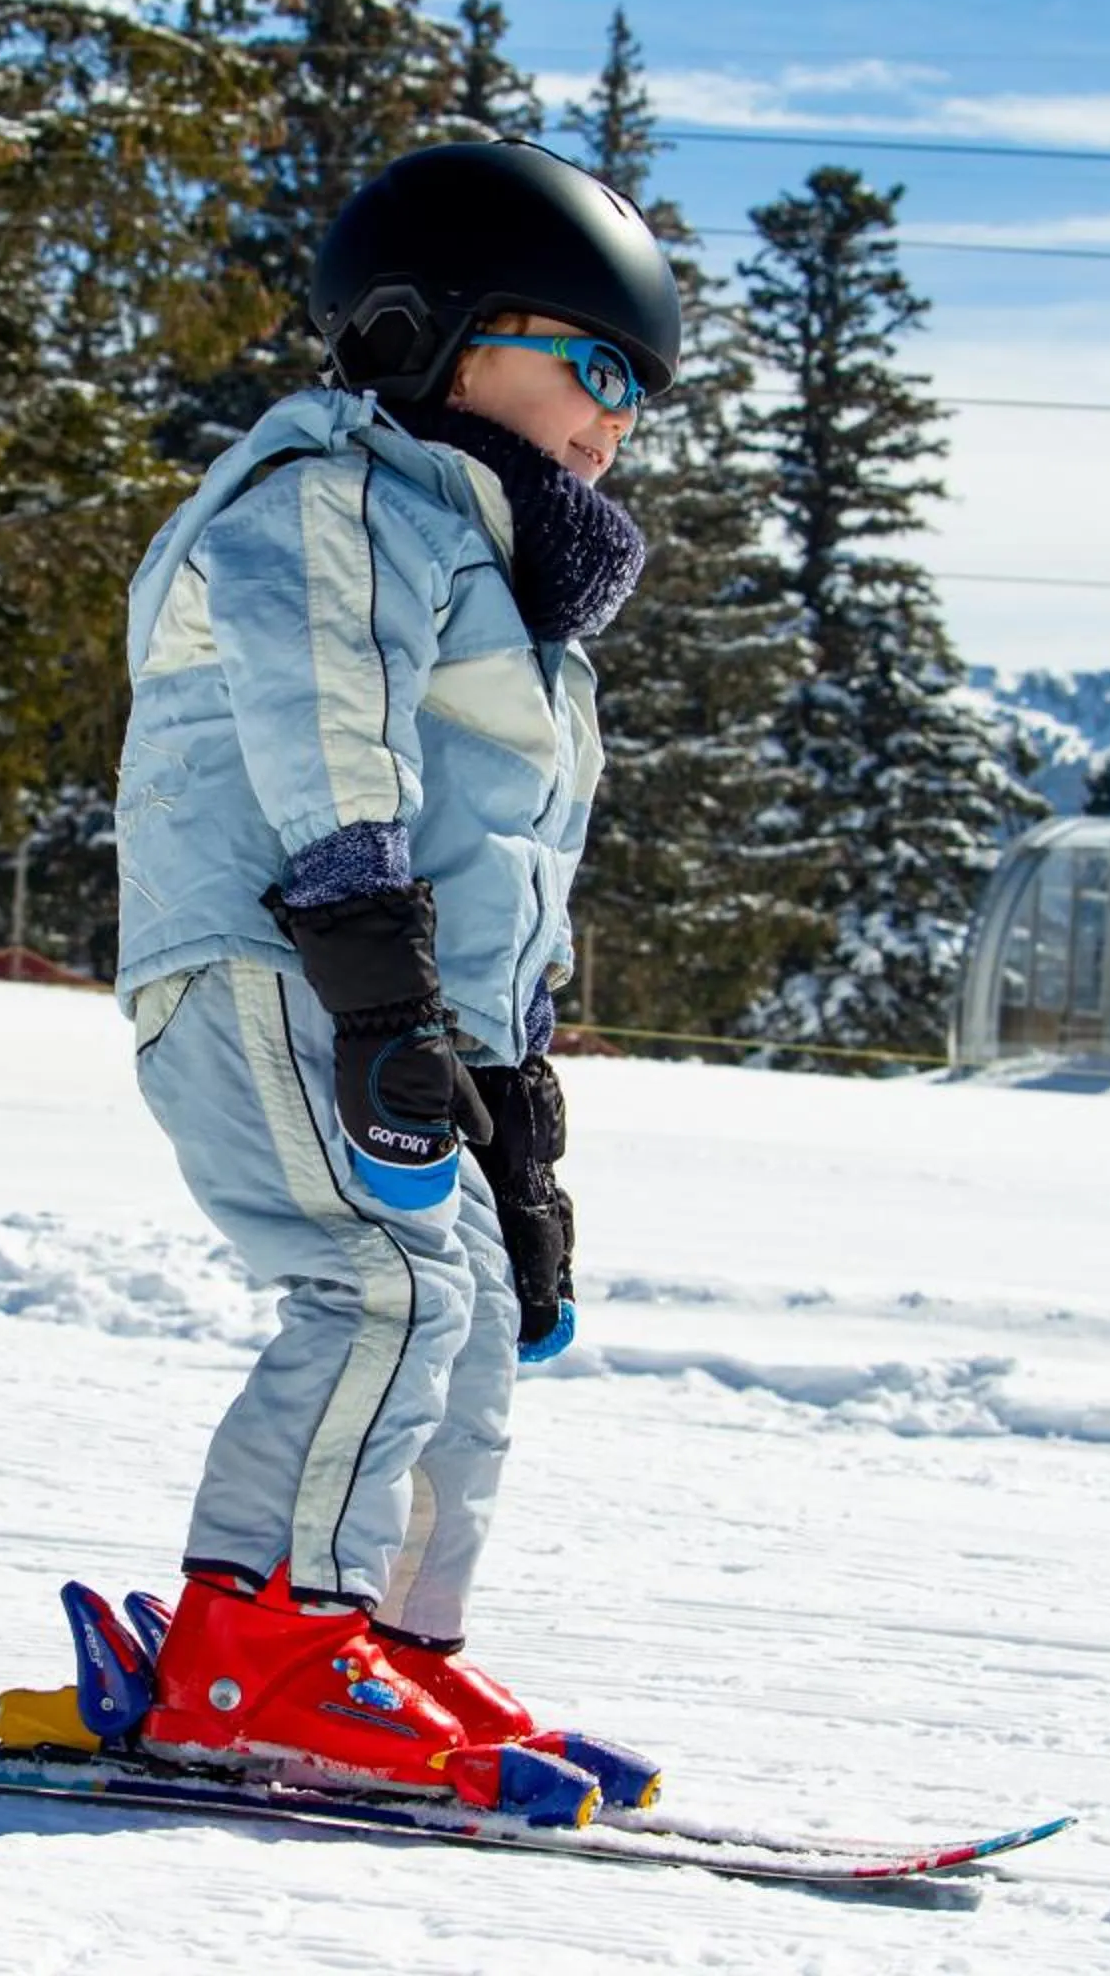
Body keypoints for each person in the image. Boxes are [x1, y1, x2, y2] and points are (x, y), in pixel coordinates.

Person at [111, 139, 681, 1810]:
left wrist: (517, 1111)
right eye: (593, 365)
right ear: (426, 334)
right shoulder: (333, 498)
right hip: (276, 964)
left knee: (474, 1317)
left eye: (640, 395)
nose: (617, 419)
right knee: (384, 1289)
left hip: (402, 1003)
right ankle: (259, 1648)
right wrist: (375, 987)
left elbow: (507, 861)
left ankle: (384, 1639)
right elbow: (327, 737)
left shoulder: (509, 598)